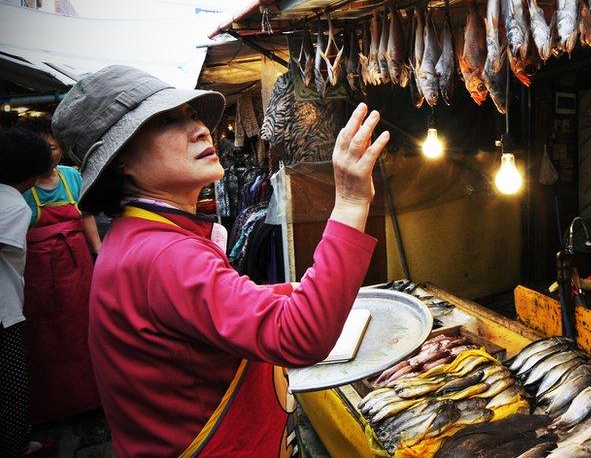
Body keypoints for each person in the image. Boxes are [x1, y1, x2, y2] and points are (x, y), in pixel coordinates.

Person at [52, 65, 390, 455]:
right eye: (165, 121)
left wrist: (286, 291)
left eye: (191, 115)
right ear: (120, 162)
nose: (199, 129)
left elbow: (211, 307)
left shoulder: (143, 236)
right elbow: (302, 335)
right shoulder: (165, 255)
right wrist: (350, 201)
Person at [17, 115, 102, 424]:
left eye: (53, 146)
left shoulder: (72, 176)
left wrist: (98, 253)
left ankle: (91, 397)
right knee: (46, 336)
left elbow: (87, 216)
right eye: (42, 147)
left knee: (84, 329)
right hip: (37, 270)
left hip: (78, 265)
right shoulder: (21, 185)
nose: (49, 153)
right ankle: (54, 406)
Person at [0, 128, 53, 456]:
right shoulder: (14, 206)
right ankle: (16, 446)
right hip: (4, 312)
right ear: (33, 175)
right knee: (11, 387)